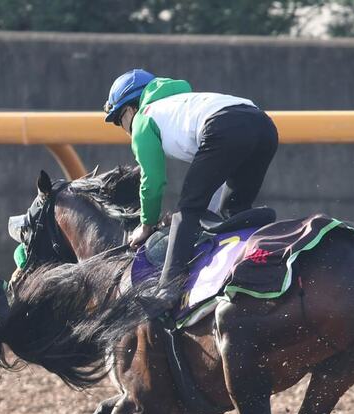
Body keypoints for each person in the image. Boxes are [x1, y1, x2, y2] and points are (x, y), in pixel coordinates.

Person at [103, 69, 278, 306]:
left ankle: (167, 291)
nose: (123, 129)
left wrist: (147, 225)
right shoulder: (181, 105)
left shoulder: (144, 118)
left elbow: (152, 181)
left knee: (187, 210)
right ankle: (259, 263)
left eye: (118, 120)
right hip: (264, 126)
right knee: (234, 211)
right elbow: (216, 181)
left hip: (225, 127)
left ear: (129, 109)